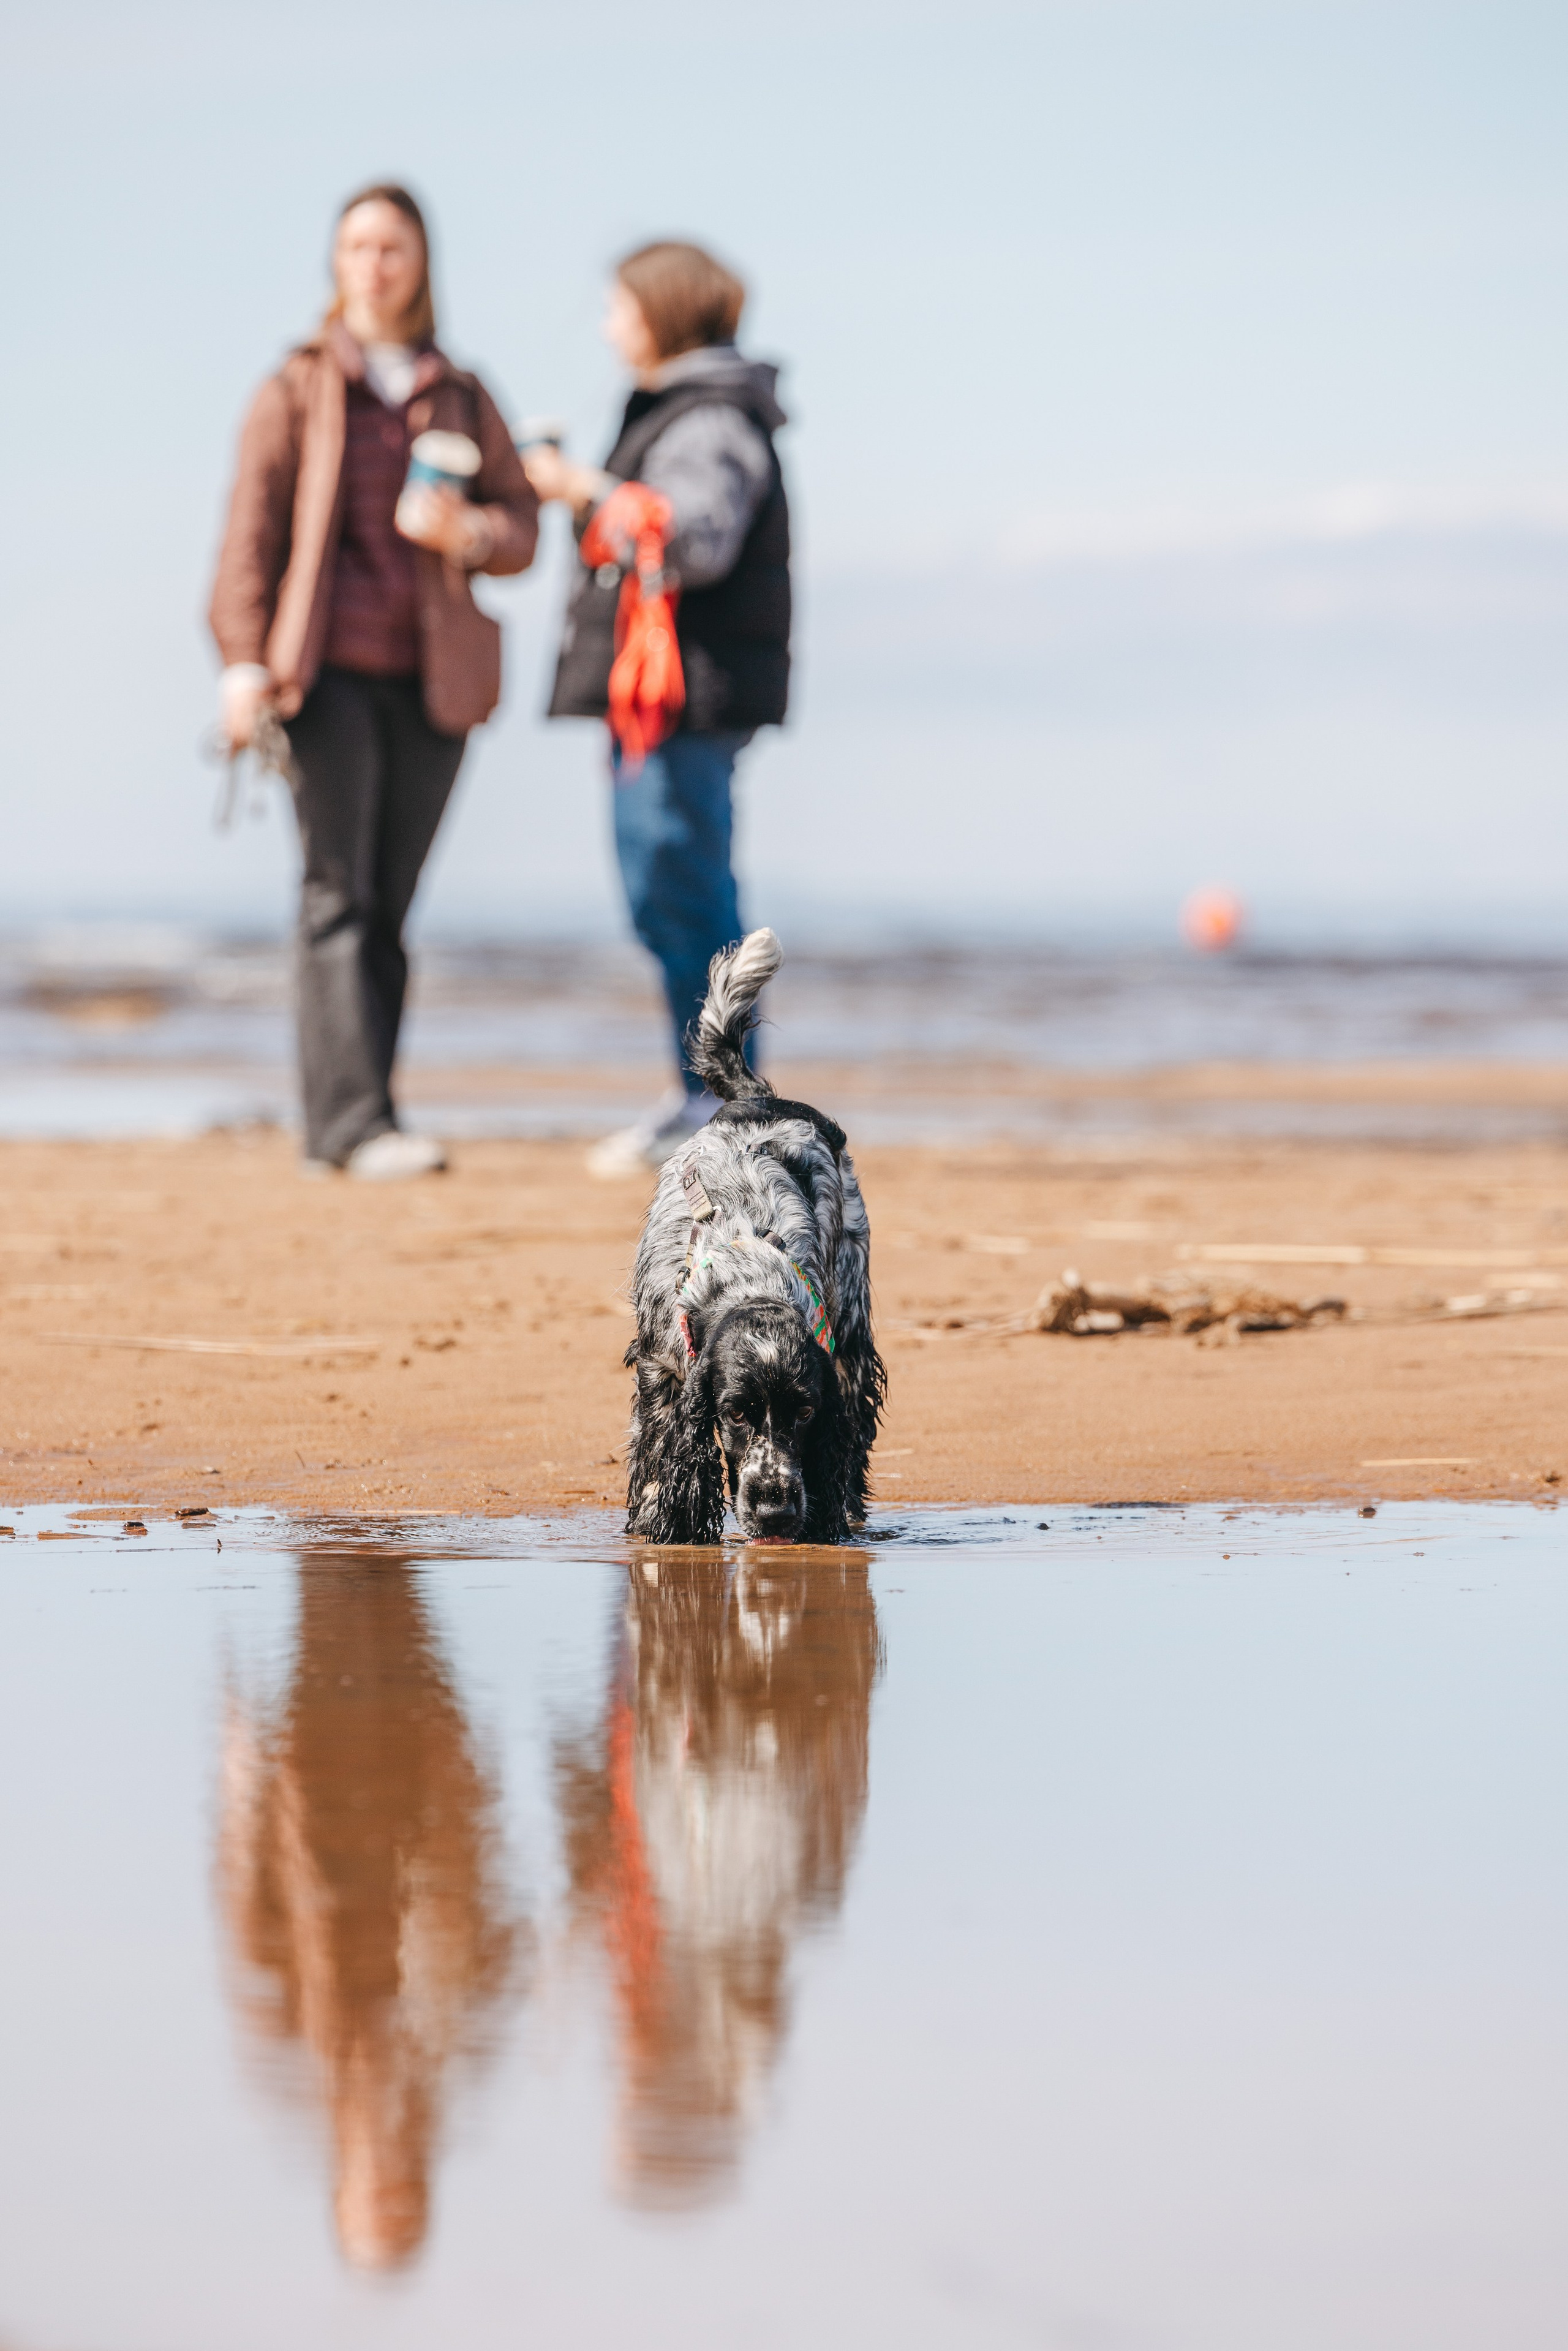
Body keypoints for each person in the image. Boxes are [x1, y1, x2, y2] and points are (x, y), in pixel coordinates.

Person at [209, 183, 538, 1179]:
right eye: (357, 245)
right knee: (335, 895)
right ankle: (347, 1128)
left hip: (435, 686)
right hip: (323, 678)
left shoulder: (464, 392)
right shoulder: (295, 387)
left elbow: (520, 525)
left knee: (388, 905)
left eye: (392, 247)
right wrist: (240, 664)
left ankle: (369, 1118)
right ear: (336, 262)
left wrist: (473, 532)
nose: (374, 264)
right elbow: (247, 541)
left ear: (421, 262)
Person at [524, 241, 791, 1176]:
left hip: (688, 694)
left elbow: (693, 535)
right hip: (665, 697)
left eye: (618, 307)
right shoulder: (688, 410)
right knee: (666, 895)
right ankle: (710, 1099)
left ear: (663, 312)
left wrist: (582, 490)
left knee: (684, 891)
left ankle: (729, 1106)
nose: (607, 325)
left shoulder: (710, 417)